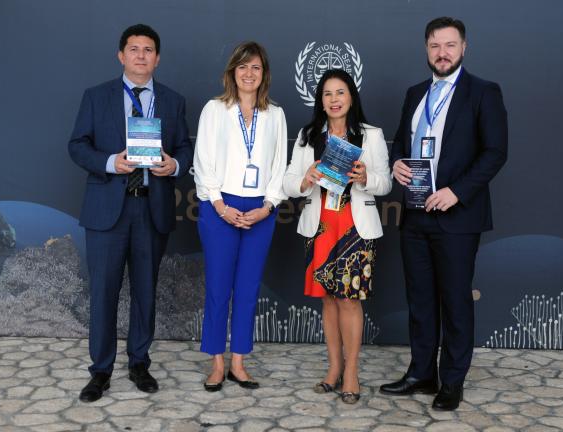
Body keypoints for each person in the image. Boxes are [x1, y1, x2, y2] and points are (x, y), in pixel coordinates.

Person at [380, 17, 508, 410]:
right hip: (416, 213)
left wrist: (457, 192)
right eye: (435, 45)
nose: (442, 52)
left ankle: (452, 381)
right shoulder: (415, 93)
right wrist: (397, 161)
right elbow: (402, 140)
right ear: (426, 50)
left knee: (454, 300)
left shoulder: (483, 92)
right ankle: (422, 372)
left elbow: (495, 152)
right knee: (420, 299)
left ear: (464, 48)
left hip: (457, 216)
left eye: (450, 45)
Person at [68, 24, 193, 402]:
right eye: (134, 48)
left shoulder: (172, 101)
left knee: (145, 291)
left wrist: (172, 165)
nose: (141, 55)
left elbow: (185, 149)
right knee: (104, 293)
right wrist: (109, 162)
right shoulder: (96, 96)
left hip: (150, 208)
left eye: (148, 49)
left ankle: (139, 363)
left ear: (158, 58)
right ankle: (100, 371)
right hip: (108, 210)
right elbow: (77, 145)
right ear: (121, 55)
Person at [283, 69, 391, 404]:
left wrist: (365, 177)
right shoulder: (308, 134)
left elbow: (386, 183)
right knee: (327, 299)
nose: (334, 99)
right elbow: (288, 183)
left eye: (340, 92)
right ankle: (333, 369)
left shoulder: (370, 136)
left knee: (348, 299)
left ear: (352, 97)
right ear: (320, 100)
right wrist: (306, 178)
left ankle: (353, 372)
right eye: (327, 94)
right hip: (320, 227)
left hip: (355, 228)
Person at [193, 41, 287, 392]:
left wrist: (268, 206)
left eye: (256, 68)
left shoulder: (275, 114)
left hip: (260, 210)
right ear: (232, 72)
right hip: (220, 207)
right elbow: (202, 162)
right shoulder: (214, 110)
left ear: (265, 75)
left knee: (247, 290)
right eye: (242, 67)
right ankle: (216, 362)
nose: (249, 74)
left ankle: (239, 362)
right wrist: (220, 206)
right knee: (219, 288)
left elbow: (280, 164)